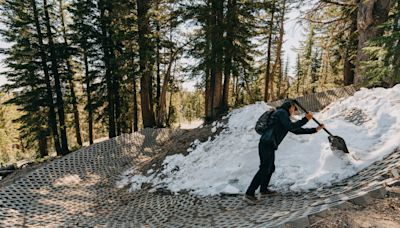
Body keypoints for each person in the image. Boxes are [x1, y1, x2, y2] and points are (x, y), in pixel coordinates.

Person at [244, 99, 325, 204]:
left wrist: (315, 129)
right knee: (264, 168)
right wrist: (305, 119)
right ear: (290, 107)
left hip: (269, 144)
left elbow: (295, 130)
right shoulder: (281, 112)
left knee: (270, 168)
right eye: (293, 109)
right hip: (266, 143)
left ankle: (263, 190)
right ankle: (249, 194)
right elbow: (291, 126)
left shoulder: (283, 116)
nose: (293, 112)